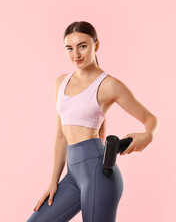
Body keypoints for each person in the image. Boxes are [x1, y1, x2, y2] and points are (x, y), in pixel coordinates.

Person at [26, 21, 158, 222]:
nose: (75, 54)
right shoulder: (60, 83)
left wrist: (148, 135)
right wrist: (53, 182)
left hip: (98, 172)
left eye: (82, 46)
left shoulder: (108, 85)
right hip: (72, 176)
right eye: (69, 48)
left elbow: (150, 118)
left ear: (96, 45)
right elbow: (61, 136)